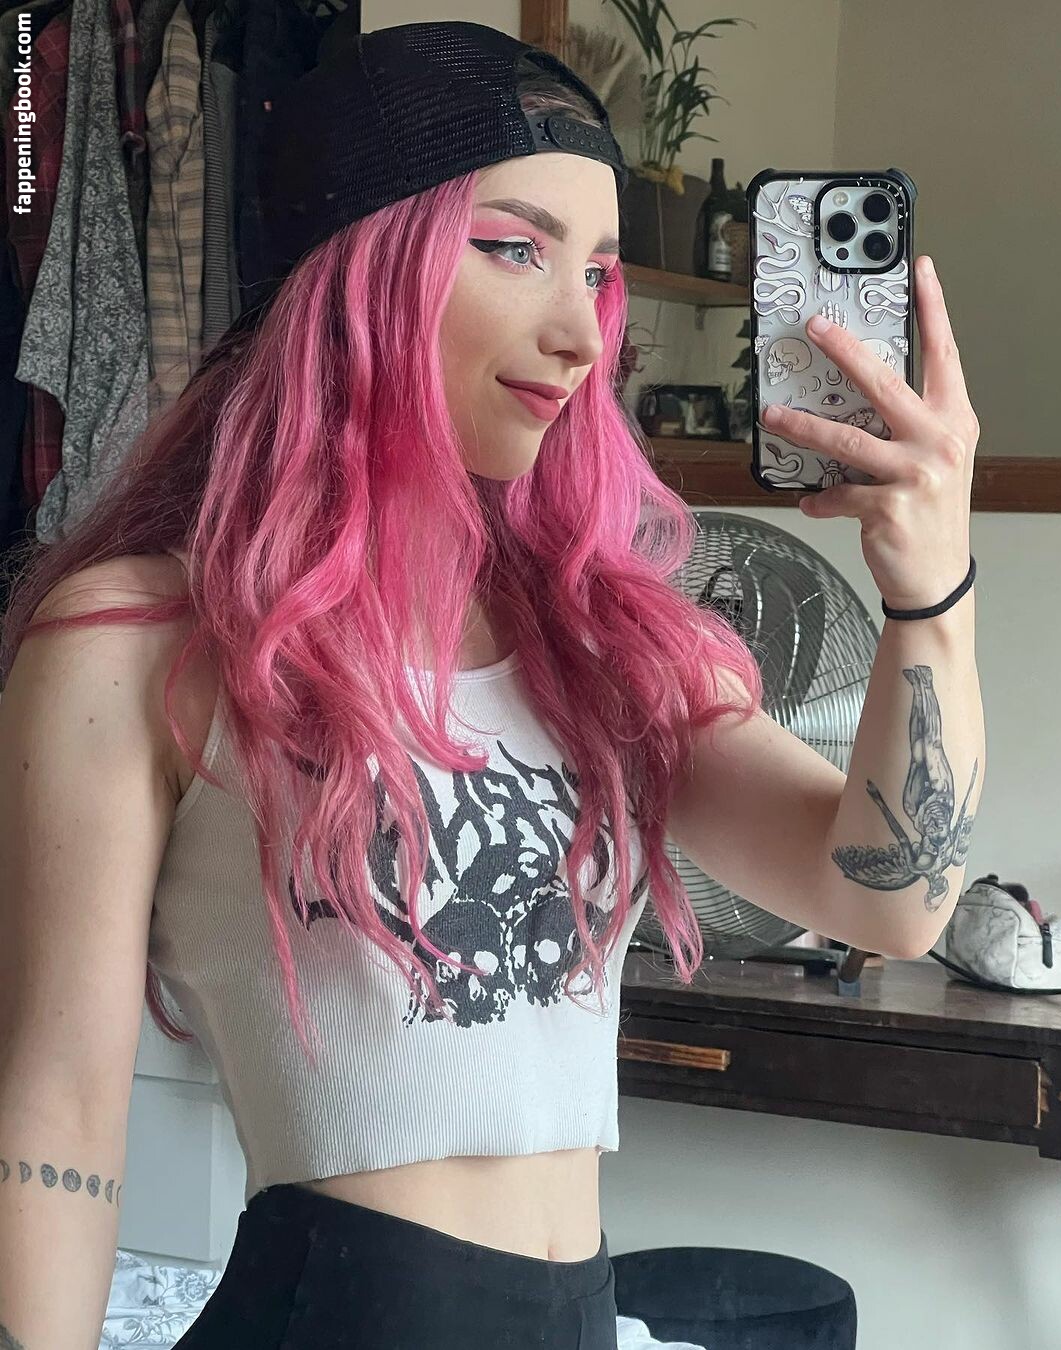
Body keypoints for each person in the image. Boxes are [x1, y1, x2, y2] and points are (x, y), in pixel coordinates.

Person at [0, 12, 985, 1350]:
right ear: (359, 271)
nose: (581, 334)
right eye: (515, 248)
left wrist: (933, 591)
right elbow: (58, 1106)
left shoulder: (600, 647)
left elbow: (894, 898)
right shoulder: (137, 638)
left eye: (598, 273)